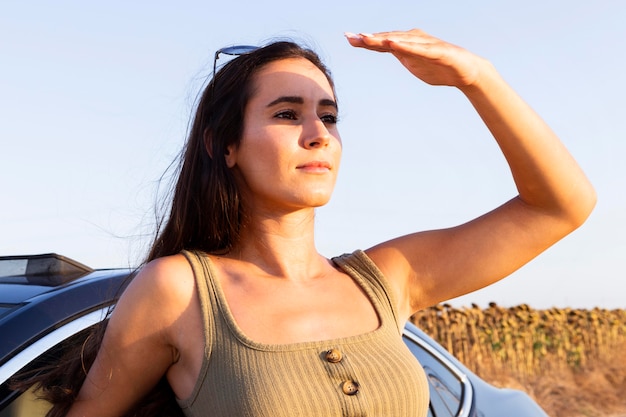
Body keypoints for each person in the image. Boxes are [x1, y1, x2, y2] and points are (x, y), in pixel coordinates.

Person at [34, 28, 596, 417]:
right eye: (287, 114)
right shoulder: (178, 291)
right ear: (224, 145)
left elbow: (560, 205)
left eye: (328, 116)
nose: (318, 133)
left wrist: (477, 77)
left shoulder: (385, 279)